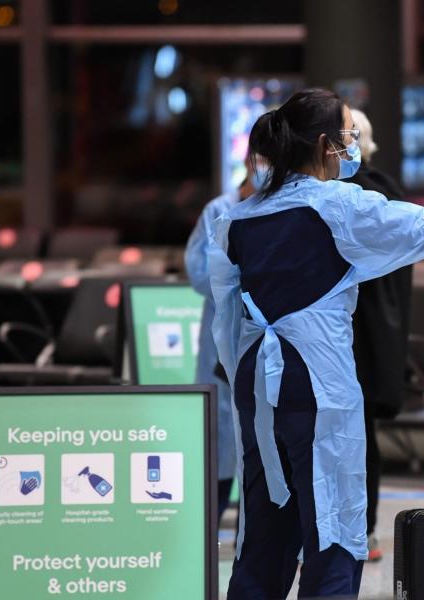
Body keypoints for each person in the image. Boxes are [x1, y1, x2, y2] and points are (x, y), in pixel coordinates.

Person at [206, 88, 424, 598]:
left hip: (257, 384)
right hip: (317, 382)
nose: (353, 142)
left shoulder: (239, 217)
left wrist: (243, 379)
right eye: (348, 133)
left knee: (265, 521)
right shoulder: (339, 206)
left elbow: (225, 320)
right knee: (333, 523)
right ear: (325, 144)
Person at [347, 108, 413, 562]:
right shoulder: (390, 193)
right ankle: (363, 529)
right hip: (378, 338)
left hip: (353, 338)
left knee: (348, 439)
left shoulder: (355, 197)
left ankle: (354, 530)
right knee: (362, 435)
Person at [185, 153, 261, 524]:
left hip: (261, 335)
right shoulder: (219, 209)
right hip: (221, 332)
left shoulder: (275, 209)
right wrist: (241, 282)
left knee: (257, 434)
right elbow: (199, 270)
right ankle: (209, 524)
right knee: (217, 431)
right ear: (248, 162)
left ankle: (256, 526)